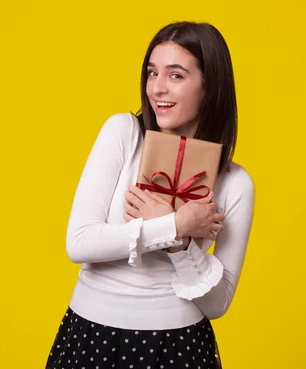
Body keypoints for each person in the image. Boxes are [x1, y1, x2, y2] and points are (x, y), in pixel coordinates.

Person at [45, 21, 255, 369]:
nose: (157, 88)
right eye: (152, 72)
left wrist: (181, 246)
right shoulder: (123, 133)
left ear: (210, 86)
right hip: (89, 336)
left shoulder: (235, 183)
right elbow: (79, 243)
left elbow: (217, 305)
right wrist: (175, 225)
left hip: (179, 344)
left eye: (176, 75)